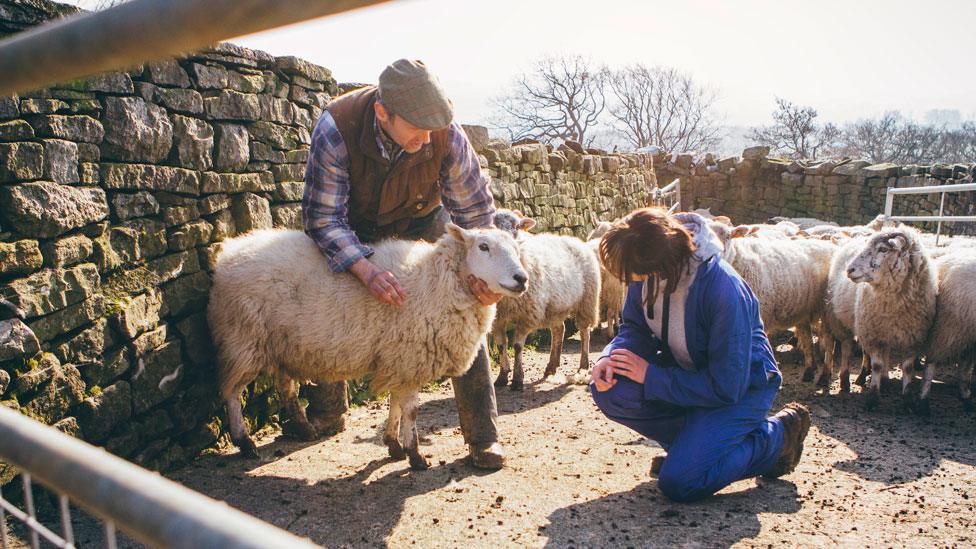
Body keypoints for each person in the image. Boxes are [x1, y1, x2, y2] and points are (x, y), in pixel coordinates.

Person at [301, 59, 505, 469]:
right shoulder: (336, 128)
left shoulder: (445, 135)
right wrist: (364, 268)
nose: (426, 137)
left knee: (463, 312)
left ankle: (483, 435)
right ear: (382, 113)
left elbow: (476, 212)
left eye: (432, 127)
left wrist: (481, 276)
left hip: (421, 219)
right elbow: (323, 218)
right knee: (324, 300)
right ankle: (327, 410)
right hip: (348, 222)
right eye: (415, 126)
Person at [590, 208, 811, 502]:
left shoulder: (722, 290)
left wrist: (650, 375)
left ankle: (776, 438)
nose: (633, 283)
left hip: (743, 388)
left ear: (660, 266)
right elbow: (635, 326)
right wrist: (613, 355)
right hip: (689, 374)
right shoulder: (645, 267)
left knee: (681, 483)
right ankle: (695, 450)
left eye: (637, 277)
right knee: (613, 389)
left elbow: (727, 386)